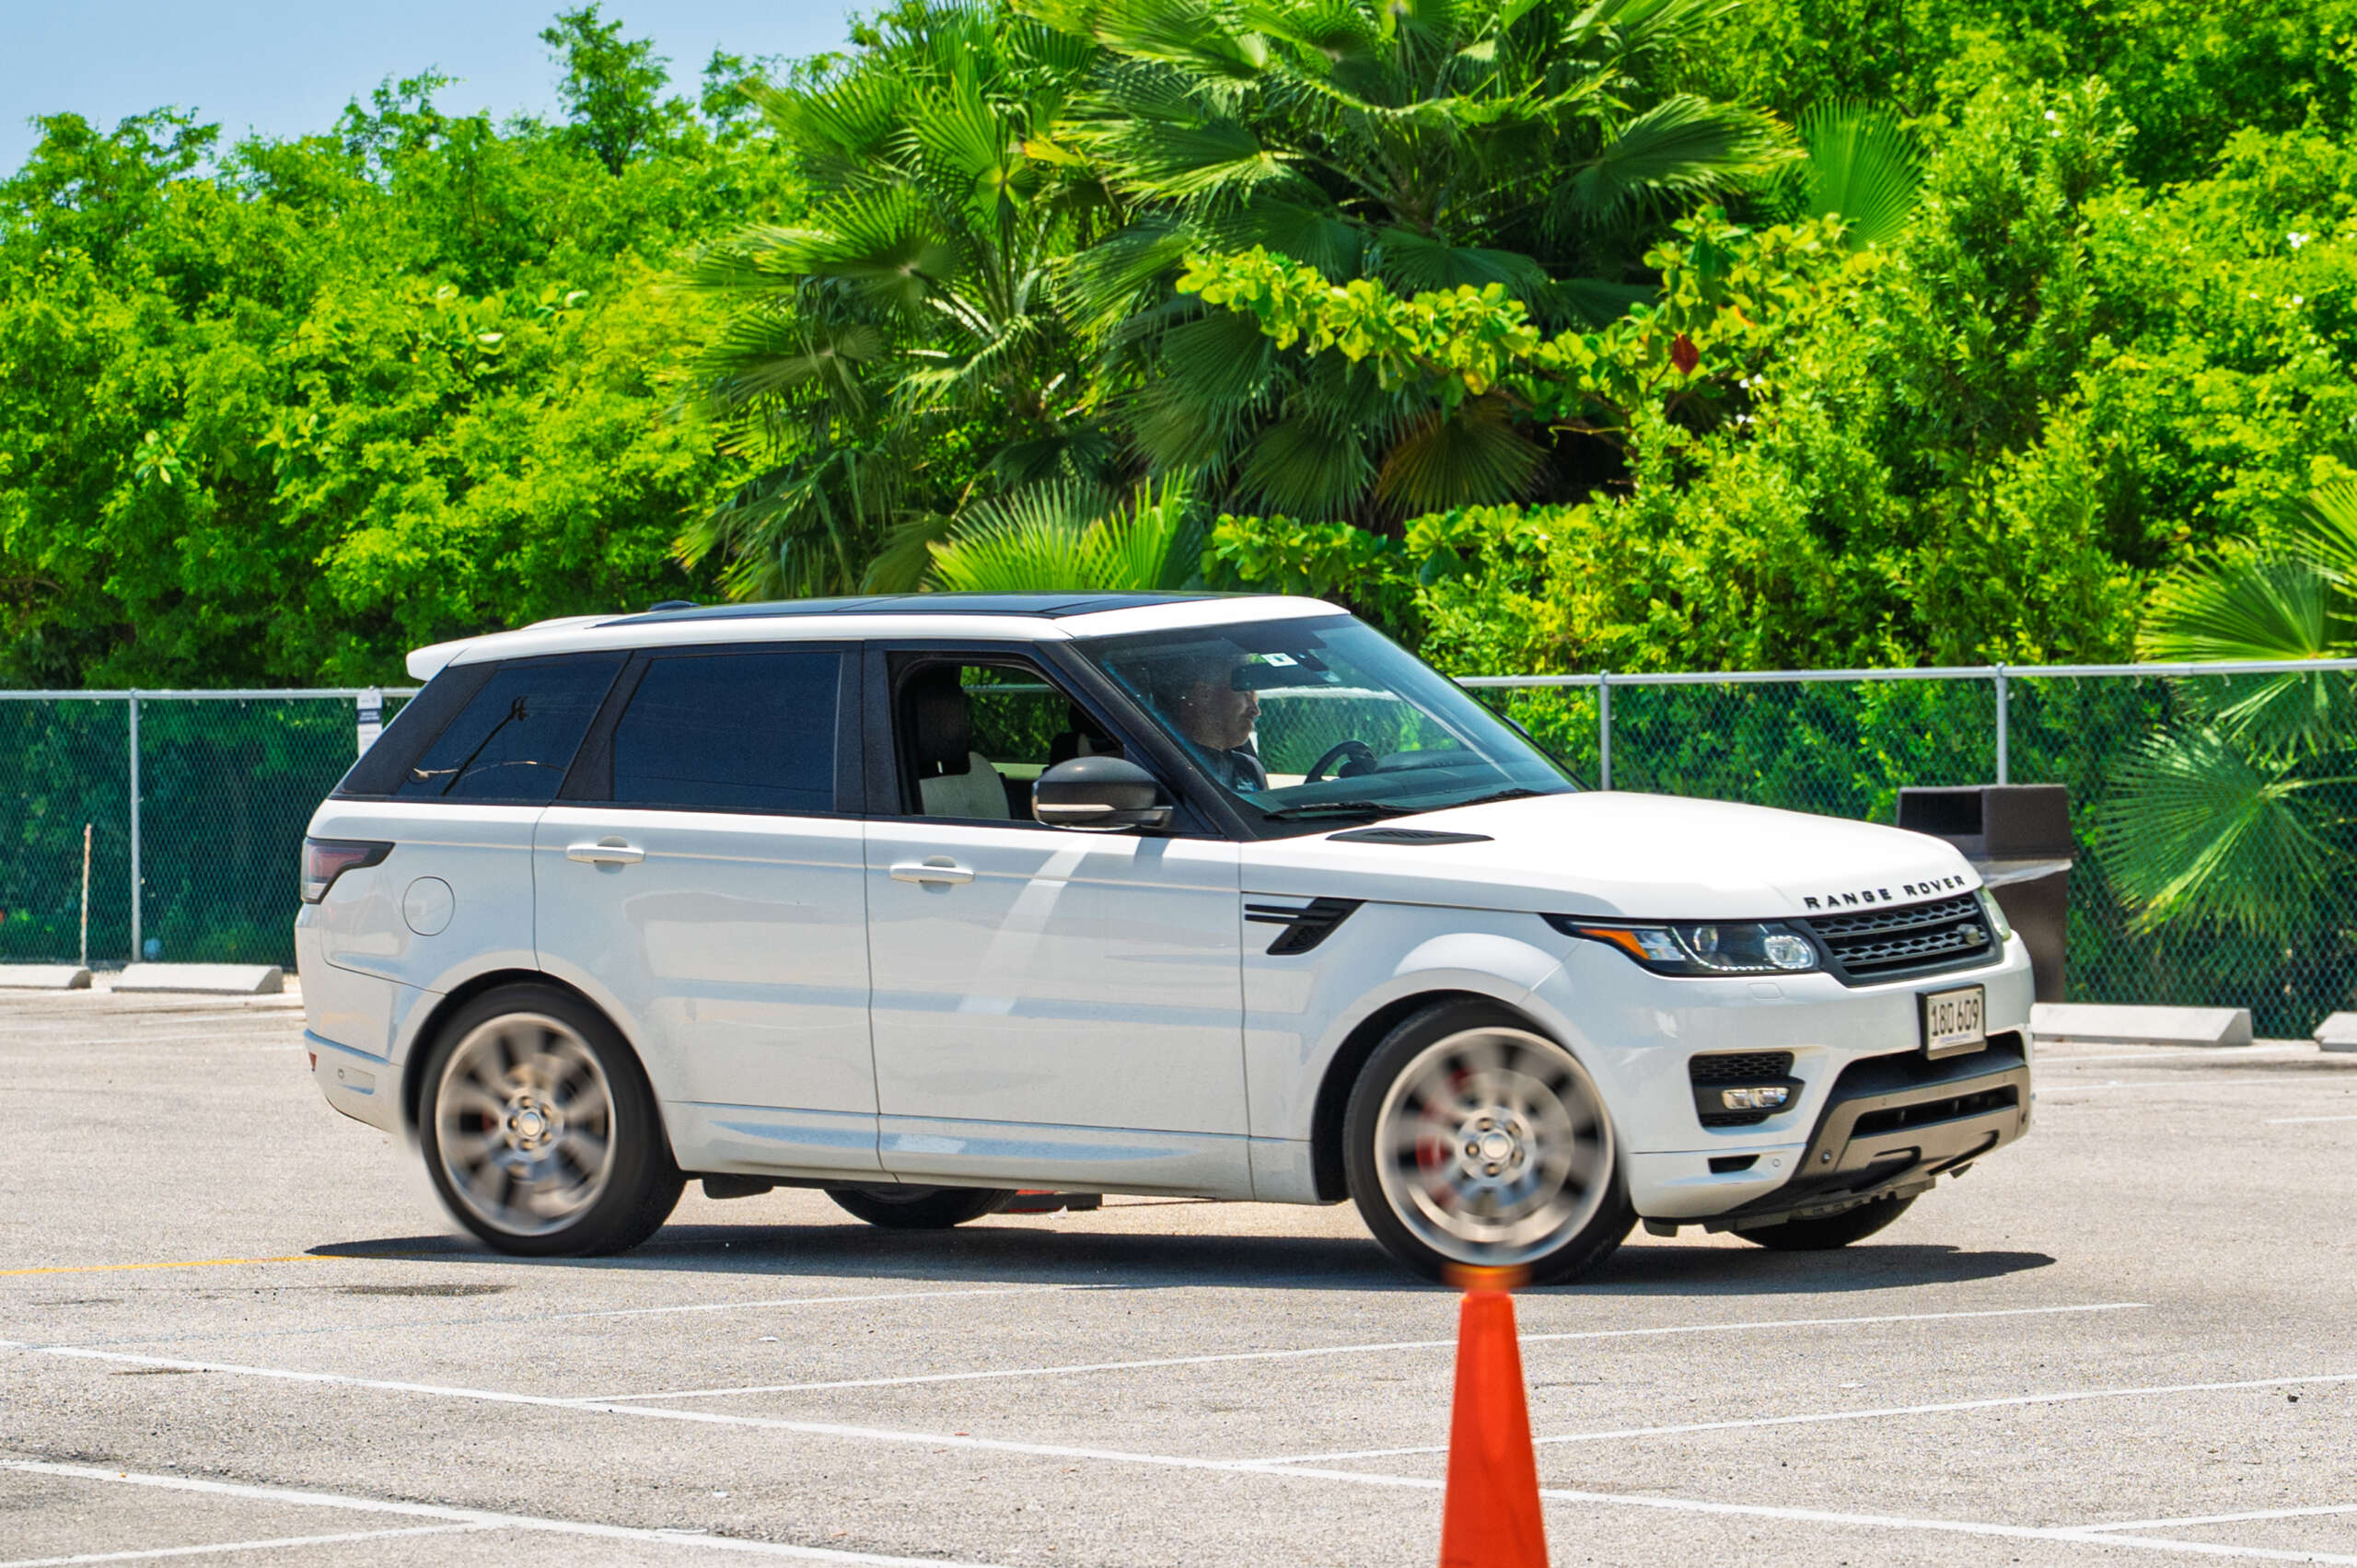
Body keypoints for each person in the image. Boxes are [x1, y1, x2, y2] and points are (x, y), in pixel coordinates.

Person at [1154, 650, 1268, 792]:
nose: (1256, 710)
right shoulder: (1162, 770)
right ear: (1204, 694)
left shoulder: (1249, 769)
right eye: (1245, 694)